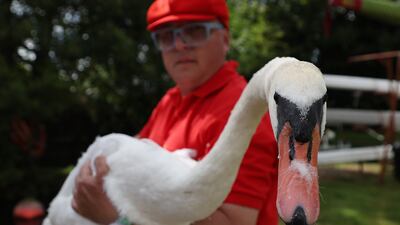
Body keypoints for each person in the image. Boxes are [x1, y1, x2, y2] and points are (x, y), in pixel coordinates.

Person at [71, 0, 279, 224]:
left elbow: (235, 222)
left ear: (225, 39)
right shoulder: (170, 101)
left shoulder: (243, 114)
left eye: (195, 31)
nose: (179, 45)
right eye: (166, 36)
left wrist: (121, 216)